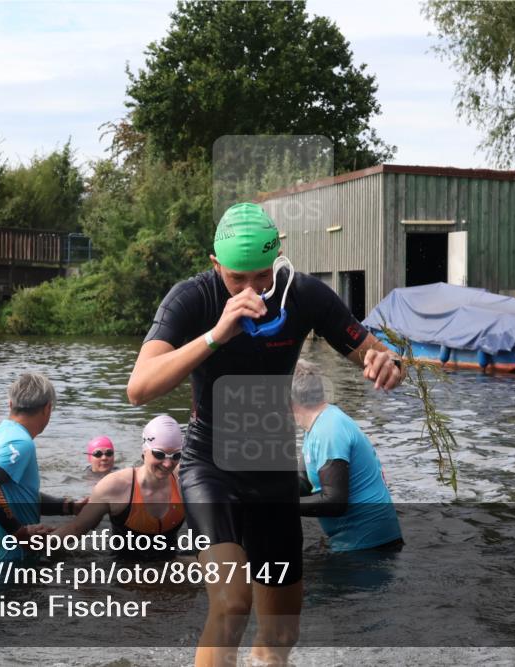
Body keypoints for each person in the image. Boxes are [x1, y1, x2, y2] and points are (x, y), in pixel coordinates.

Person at [126, 202, 405, 666]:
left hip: (272, 470)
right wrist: (217, 334)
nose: (252, 289)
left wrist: (385, 364)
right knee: (233, 603)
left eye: (262, 276)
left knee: (279, 633)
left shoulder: (305, 295)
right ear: (217, 267)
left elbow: (377, 354)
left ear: (280, 259)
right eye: (238, 279)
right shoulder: (192, 299)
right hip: (210, 465)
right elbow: (139, 388)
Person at [0, 373, 78, 566]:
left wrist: (67, 506)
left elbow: (15, 495)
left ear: (10, 404)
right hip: (6, 563)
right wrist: (20, 532)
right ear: (47, 409)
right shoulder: (22, 443)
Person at [291, 360, 402, 552]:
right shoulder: (317, 425)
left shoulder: (329, 429)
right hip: (354, 542)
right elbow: (304, 483)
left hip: (369, 547)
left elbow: (335, 502)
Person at [49, 415, 185, 557]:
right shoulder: (114, 486)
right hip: (124, 571)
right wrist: (39, 543)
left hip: (170, 566)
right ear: (144, 451)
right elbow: (76, 528)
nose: (168, 464)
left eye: (176, 455)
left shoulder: (185, 479)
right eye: (159, 454)